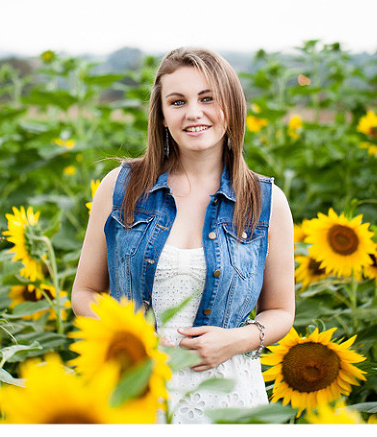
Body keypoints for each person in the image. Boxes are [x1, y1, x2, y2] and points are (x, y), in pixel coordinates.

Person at [71, 47, 295, 423]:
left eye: (207, 98)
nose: (194, 113)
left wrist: (235, 340)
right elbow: (84, 292)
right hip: (135, 391)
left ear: (231, 107)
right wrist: (131, 339)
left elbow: (282, 311)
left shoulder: (265, 202)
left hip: (229, 399)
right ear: (161, 116)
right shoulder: (120, 188)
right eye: (177, 101)